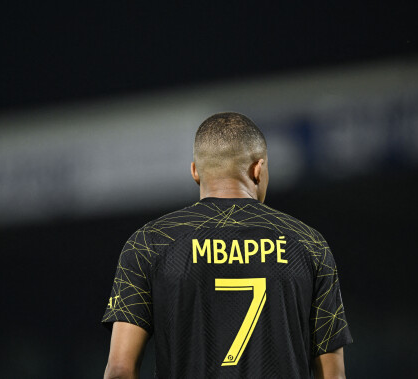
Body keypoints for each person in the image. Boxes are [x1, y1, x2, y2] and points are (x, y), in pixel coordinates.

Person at [102, 112, 353, 379]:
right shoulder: (308, 243)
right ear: (258, 169)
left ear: (195, 171)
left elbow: (120, 370)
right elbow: (333, 375)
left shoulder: (150, 243)